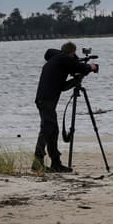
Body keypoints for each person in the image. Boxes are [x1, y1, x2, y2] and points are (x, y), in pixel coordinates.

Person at [34, 42, 97, 173]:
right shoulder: (63, 59)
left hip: (45, 100)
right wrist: (91, 67)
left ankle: (56, 163)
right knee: (46, 129)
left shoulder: (58, 61)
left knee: (53, 130)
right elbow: (81, 67)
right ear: (72, 52)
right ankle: (37, 162)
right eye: (74, 54)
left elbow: (62, 87)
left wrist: (78, 79)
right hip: (46, 100)